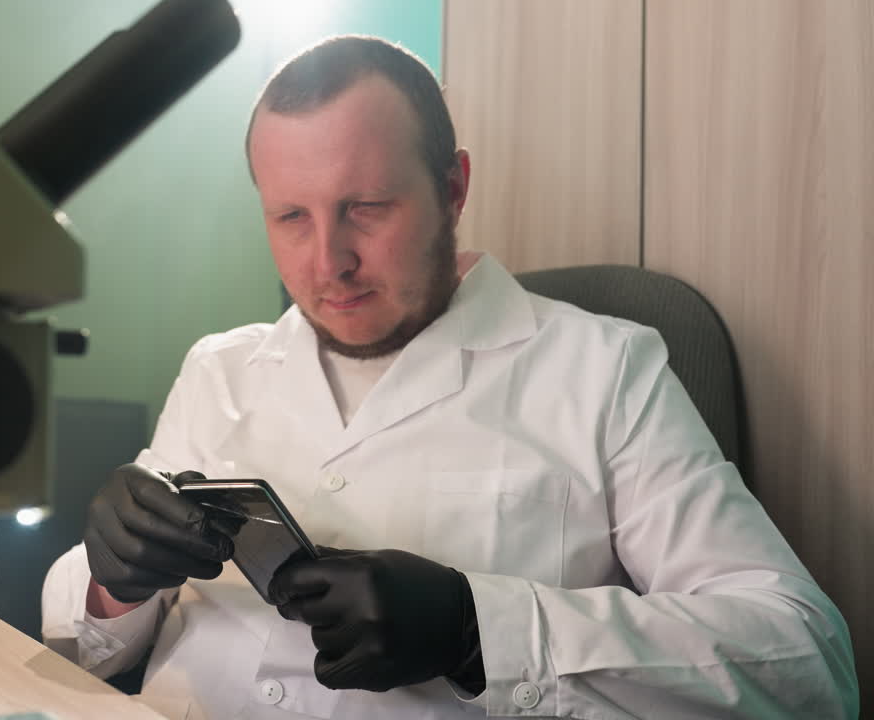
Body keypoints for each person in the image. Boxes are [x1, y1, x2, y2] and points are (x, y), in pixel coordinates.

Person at [42, 35, 858, 719]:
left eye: (366, 207)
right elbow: (84, 647)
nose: (329, 262)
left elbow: (806, 662)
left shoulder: (606, 370)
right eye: (291, 217)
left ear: (453, 188)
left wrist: (479, 629)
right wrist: (111, 583)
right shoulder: (217, 367)